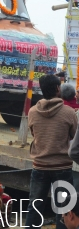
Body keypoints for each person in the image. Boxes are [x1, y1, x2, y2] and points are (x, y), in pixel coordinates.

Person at [26, 74, 77, 229]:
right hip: (62, 167)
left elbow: (35, 134)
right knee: (65, 209)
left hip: (39, 166)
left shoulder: (33, 112)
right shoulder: (69, 113)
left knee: (34, 208)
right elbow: (75, 138)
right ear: (57, 89)